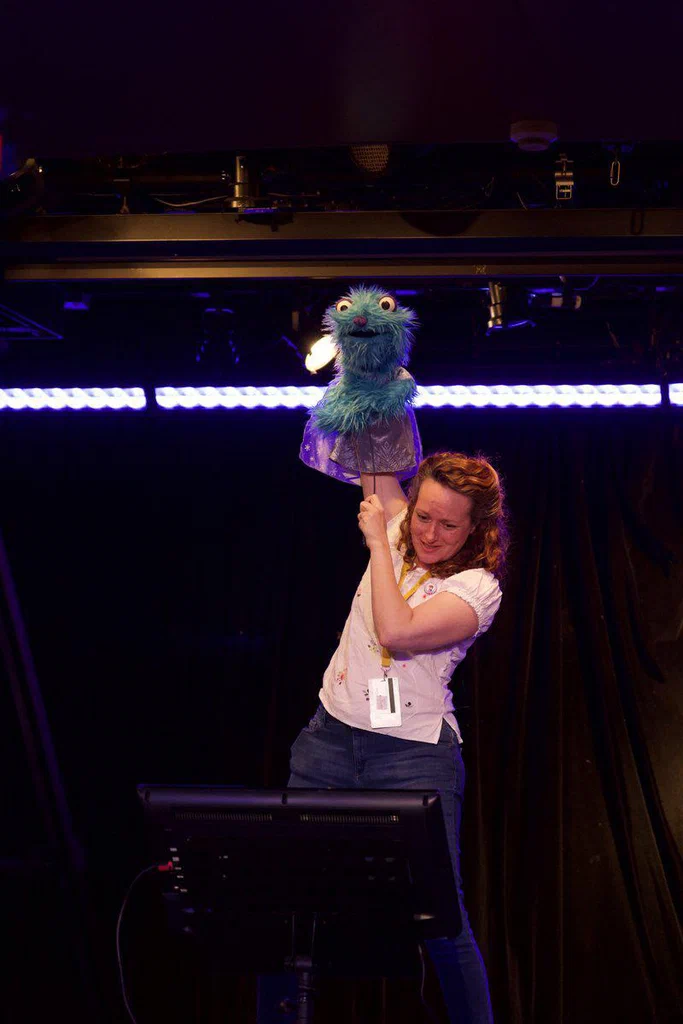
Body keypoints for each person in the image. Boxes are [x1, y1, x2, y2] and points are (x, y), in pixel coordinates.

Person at [284, 452, 509, 1024]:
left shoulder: (477, 588)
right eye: (423, 516)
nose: (429, 533)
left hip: (413, 755)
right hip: (329, 742)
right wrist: (368, 395)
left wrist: (380, 544)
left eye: (448, 525)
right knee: (289, 909)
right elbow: (371, 447)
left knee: (442, 919)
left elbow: (396, 632)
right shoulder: (399, 523)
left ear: (476, 528)